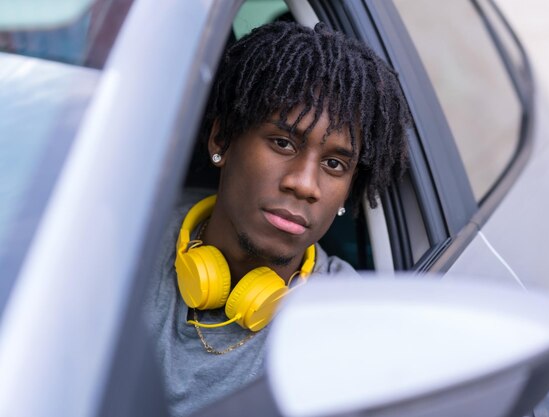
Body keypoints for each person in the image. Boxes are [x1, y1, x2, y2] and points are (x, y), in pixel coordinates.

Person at [143, 20, 410, 417]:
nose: (305, 185)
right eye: (283, 142)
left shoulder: (349, 330)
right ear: (222, 139)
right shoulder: (129, 240)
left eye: (335, 164)